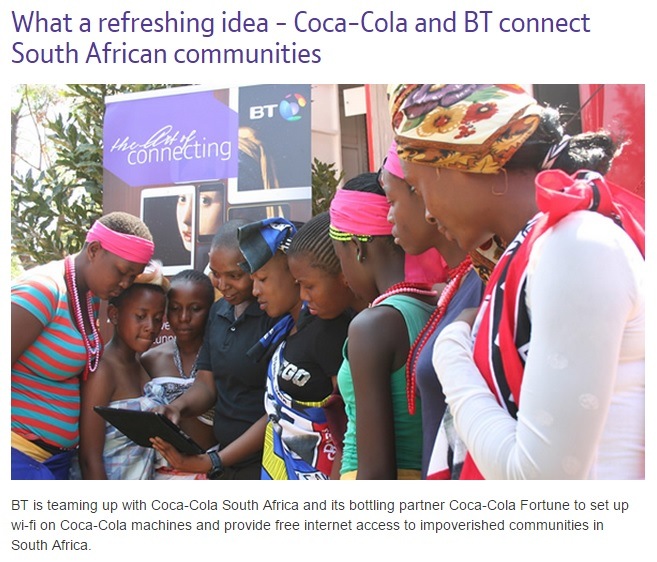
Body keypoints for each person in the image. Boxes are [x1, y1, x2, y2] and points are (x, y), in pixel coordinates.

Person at [389, 83, 645, 479]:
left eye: (420, 188)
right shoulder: (539, 249)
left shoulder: (575, 243)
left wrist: (450, 352)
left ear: (464, 162)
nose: (426, 214)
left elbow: (539, 481)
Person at [11, 211, 154, 480]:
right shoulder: (43, 291)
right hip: (17, 456)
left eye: (133, 277)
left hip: (54, 461)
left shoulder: (86, 298)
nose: (124, 285)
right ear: (95, 250)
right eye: (122, 272)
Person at [380, 140, 485, 479]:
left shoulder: (482, 284)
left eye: (393, 200)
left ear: (424, 193)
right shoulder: (459, 284)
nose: (389, 216)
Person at [150, 220, 278, 480]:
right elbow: (207, 385)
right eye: (216, 274)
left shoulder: (273, 317)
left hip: (263, 462)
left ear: (255, 268)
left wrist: (213, 461)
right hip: (223, 462)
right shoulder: (218, 313)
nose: (222, 284)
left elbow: (276, 412)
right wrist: (178, 408)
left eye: (234, 275)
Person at [330, 172, 435, 480]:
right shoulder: (435, 302)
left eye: (340, 259)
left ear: (357, 248)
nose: (345, 277)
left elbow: (375, 472)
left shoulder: (373, 325)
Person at [286, 212, 367, 475]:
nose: (303, 297)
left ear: (343, 271)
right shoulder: (322, 322)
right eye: (298, 285)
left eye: (309, 286)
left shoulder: (370, 328)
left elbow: (354, 432)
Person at [75, 265, 168, 479]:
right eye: (140, 316)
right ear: (114, 315)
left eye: (157, 318)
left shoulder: (141, 365)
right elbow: (89, 458)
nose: (150, 326)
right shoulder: (103, 371)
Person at [141, 269, 218, 477]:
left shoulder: (221, 356)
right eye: (175, 309)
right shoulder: (149, 360)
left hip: (214, 471)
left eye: (195, 309)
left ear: (211, 310)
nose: (184, 318)